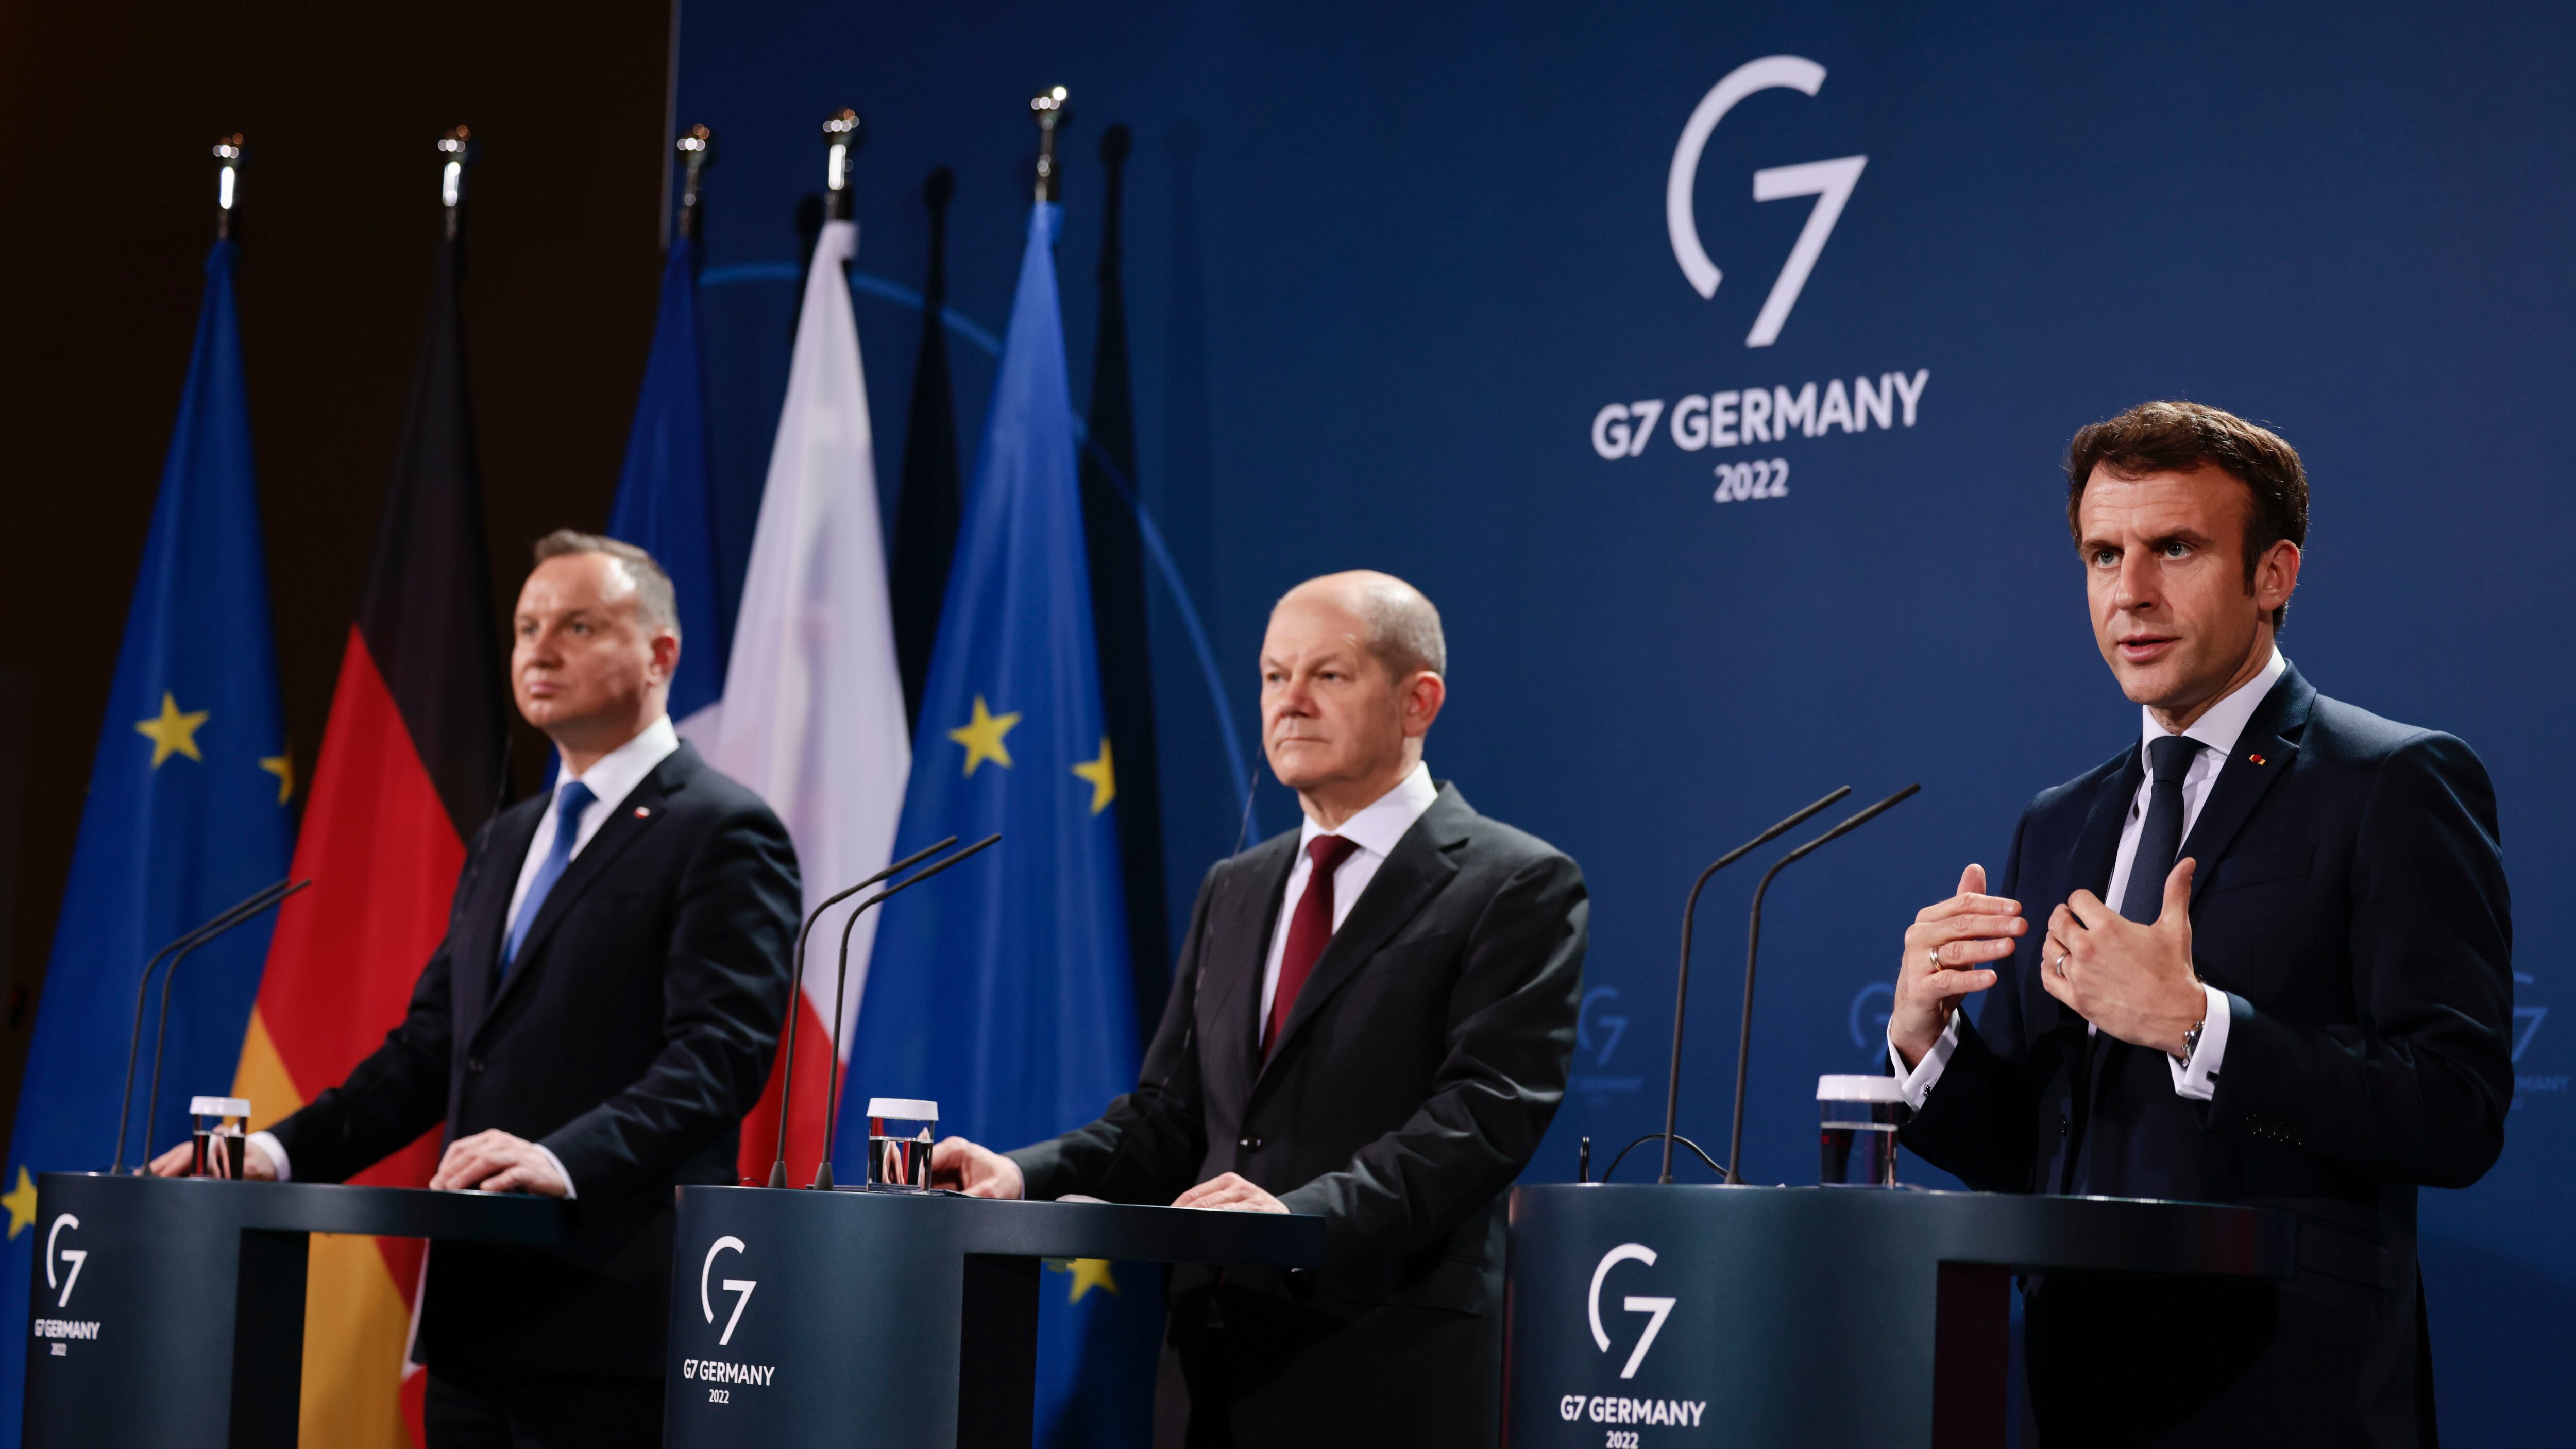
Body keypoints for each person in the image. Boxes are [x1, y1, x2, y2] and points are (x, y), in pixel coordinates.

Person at [1887, 402, 2512, 1447]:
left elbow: (2455, 1111)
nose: (2129, 592)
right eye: (2103, 555)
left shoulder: (2391, 782)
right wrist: (1927, 1041)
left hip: (2290, 1401)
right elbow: (2031, 1155)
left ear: (2273, 575)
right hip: (2074, 1400)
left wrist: (2197, 1024)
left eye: (2173, 548)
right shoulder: (2059, 821)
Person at [152, 531, 801, 1448]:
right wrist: (276, 1152)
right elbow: (431, 1050)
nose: (540, 649)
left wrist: (562, 1161)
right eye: (528, 627)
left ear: (662, 653)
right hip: (471, 1324)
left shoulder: (724, 830)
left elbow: (719, 1058)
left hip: (610, 1322)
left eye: (578, 626)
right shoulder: (508, 838)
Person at [930, 570, 1587, 1448]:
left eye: (1328, 674)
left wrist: (1298, 1219)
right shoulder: (1236, 886)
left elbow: (1482, 1118)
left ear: (1418, 700)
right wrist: (1022, 1176)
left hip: (1383, 1366)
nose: (1290, 701)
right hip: (1208, 1371)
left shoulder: (1515, 883)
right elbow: (1168, 1119)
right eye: (1275, 676)